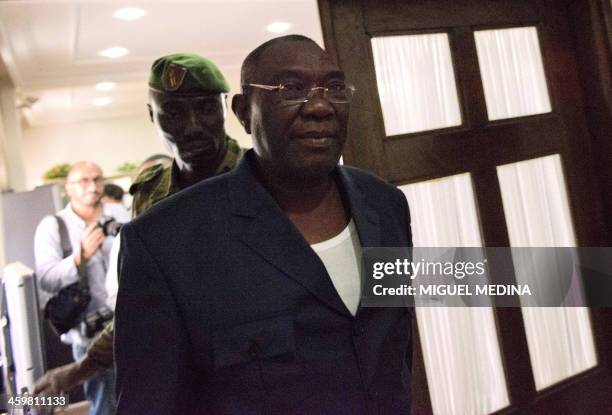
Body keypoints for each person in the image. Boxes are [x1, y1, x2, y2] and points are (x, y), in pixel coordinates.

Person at [114, 35, 413, 414]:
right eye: (291, 89)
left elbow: (396, 351)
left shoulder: (385, 205)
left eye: (335, 88)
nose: (320, 105)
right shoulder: (163, 242)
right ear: (242, 112)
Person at [33, 53, 245, 400]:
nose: (192, 126)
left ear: (227, 107)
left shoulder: (261, 182)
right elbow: (142, 305)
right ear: (152, 115)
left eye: (206, 108)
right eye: (174, 112)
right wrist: (81, 369)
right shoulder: (150, 193)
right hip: (177, 382)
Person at [34, 162, 121, 415]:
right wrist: (78, 258)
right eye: (83, 181)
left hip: (131, 325)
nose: (92, 187)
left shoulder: (121, 214)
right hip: (89, 333)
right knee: (105, 404)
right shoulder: (53, 227)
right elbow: (46, 279)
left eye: (97, 179)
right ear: (68, 188)